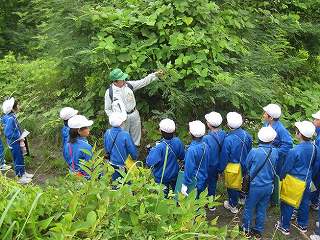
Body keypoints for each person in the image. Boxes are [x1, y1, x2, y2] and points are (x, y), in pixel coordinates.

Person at [276, 121, 320, 235]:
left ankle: (284, 227)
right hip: (307, 179)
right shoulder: (315, 148)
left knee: (288, 203)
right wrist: (311, 175)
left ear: (299, 134)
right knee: (304, 202)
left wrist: (281, 177)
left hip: (294, 181)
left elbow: (287, 167)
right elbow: (316, 164)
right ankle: (303, 225)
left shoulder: (294, 150)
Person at [104, 68, 163, 146]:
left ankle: (135, 152)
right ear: (115, 81)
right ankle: (124, 154)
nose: (124, 79)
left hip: (134, 114)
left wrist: (154, 75)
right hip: (121, 119)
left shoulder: (129, 85)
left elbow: (143, 82)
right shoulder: (110, 92)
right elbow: (108, 109)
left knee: (136, 137)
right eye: (121, 78)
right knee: (123, 138)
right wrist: (115, 120)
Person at [241, 127, 279, 239]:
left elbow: (246, 165)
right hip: (268, 186)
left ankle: (246, 230)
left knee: (248, 207)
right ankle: (258, 231)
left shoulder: (254, 151)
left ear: (259, 138)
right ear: (272, 140)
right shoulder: (275, 152)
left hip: (254, 186)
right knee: (262, 208)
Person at [220, 112, 253, 214]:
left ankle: (233, 205)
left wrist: (220, 169)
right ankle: (242, 198)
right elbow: (250, 149)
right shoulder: (247, 135)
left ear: (229, 125)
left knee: (232, 186)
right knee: (243, 181)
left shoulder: (228, 139)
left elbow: (224, 156)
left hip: (233, 166)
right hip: (245, 163)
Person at [146, 118, 185, 197]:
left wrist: (150, 151)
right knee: (176, 194)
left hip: (161, 177)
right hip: (174, 174)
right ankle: (177, 204)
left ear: (160, 131)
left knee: (162, 197)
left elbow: (150, 163)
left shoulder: (159, 147)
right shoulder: (177, 141)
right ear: (173, 131)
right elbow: (182, 156)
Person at [2, 98, 33, 184]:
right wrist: (19, 137)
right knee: (18, 158)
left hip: (17, 141)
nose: (19, 106)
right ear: (12, 108)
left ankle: (23, 173)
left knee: (21, 156)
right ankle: (20, 177)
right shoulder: (10, 119)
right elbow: (8, 132)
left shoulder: (12, 116)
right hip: (14, 143)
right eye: (17, 105)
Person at [104, 112, 138, 182]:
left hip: (111, 163)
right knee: (125, 183)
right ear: (122, 122)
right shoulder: (125, 135)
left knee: (114, 182)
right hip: (122, 165)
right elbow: (132, 151)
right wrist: (134, 158)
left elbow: (106, 148)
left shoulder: (108, 132)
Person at [203, 111, 226, 210]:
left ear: (208, 124)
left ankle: (202, 201)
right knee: (213, 183)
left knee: (204, 182)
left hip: (208, 165)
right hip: (219, 164)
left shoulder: (206, 138)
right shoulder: (224, 134)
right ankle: (211, 204)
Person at [181, 120, 209, 199]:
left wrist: (185, 184)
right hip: (203, 178)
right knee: (199, 201)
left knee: (193, 203)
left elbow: (189, 168)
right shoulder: (205, 145)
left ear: (190, 133)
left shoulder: (191, 150)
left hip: (194, 181)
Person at [263, 104, 293, 174]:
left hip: (276, 161)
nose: (263, 115)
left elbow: (288, 146)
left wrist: (274, 152)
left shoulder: (281, 129)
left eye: (265, 114)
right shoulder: (266, 124)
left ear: (271, 118)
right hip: (265, 156)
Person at [311, 110, 320, 210]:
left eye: (317, 119)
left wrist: (313, 171)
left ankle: (314, 201)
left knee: (315, 183)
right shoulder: (317, 131)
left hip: (317, 166)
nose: (314, 121)